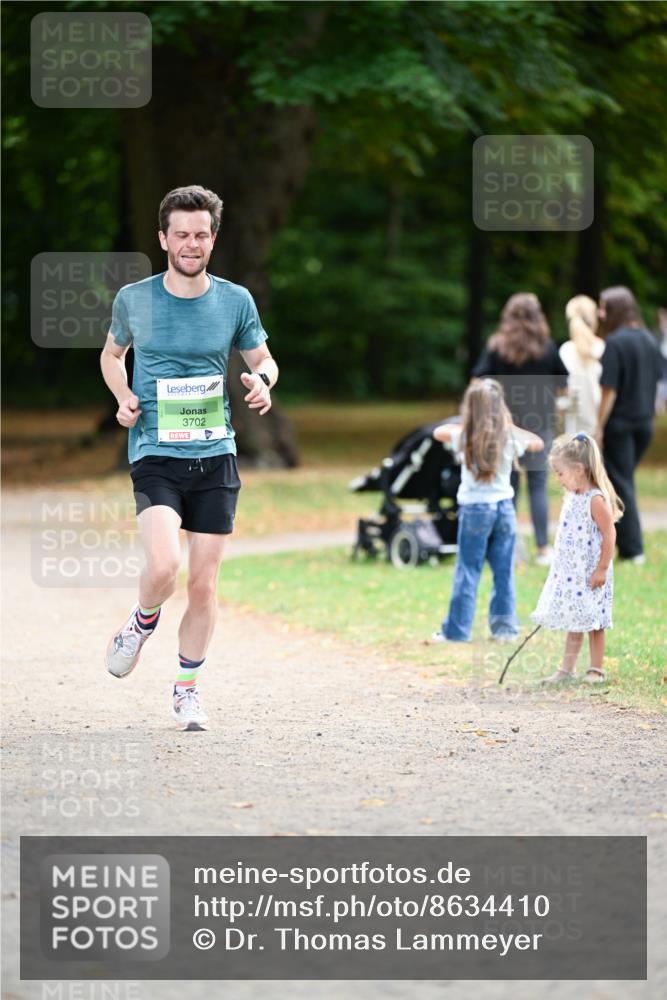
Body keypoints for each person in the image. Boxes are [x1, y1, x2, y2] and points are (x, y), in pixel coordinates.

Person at [100, 185, 278, 731]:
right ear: (163, 238)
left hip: (215, 454)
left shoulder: (235, 300)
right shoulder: (135, 298)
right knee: (163, 567)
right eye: (181, 235)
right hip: (155, 450)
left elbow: (264, 358)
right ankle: (141, 621)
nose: (191, 244)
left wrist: (263, 381)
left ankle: (186, 691)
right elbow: (112, 355)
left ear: (213, 239)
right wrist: (123, 396)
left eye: (201, 235)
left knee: (203, 585)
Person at [430, 379, 543, 644]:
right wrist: (508, 425)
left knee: (468, 570)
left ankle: (457, 632)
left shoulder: (464, 436)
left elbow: (438, 432)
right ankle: (505, 630)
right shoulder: (509, 436)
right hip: (504, 509)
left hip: (474, 510)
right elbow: (537, 442)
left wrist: (469, 423)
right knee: (504, 572)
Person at [472, 292, 569, 566]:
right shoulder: (547, 348)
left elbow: (477, 382)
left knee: (508, 485)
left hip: (504, 426)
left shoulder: (497, 346)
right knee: (538, 486)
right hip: (540, 425)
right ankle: (542, 549)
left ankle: (509, 547)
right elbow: (563, 385)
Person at [531, 433, 623, 684]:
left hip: (592, 572)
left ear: (579, 470)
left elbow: (609, 534)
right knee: (575, 619)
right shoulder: (573, 497)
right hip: (574, 574)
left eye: (560, 473)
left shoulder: (595, 499)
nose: (557, 479)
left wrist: (602, 568)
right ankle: (567, 669)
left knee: (594, 622)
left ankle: (596, 669)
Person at [595, 286, 662, 562]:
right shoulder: (648, 339)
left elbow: (609, 390)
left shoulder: (615, 342)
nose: (600, 314)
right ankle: (622, 544)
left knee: (621, 484)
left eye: (603, 308)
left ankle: (634, 550)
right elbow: (657, 381)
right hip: (645, 424)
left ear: (614, 310)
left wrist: (599, 425)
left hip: (620, 425)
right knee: (622, 482)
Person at [559, 295, 605, 436]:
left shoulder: (566, 350)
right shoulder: (602, 348)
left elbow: (563, 391)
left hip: (573, 425)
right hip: (598, 424)